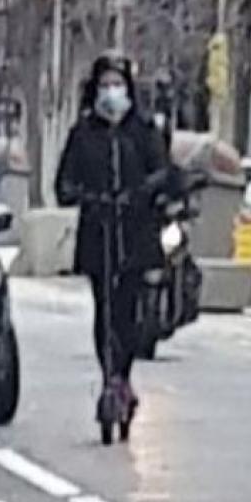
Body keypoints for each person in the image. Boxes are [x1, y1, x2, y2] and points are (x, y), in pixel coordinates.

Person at [54, 55, 172, 423]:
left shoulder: (143, 129)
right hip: (98, 234)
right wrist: (87, 196)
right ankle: (111, 378)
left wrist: (144, 192)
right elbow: (64, 185)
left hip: (137, 233)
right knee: (104, 309)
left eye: (117, 84)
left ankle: (124, 375)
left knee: (129, 312)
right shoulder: (83, 133)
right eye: (104, 84)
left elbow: (164, 171)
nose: (111, 92)